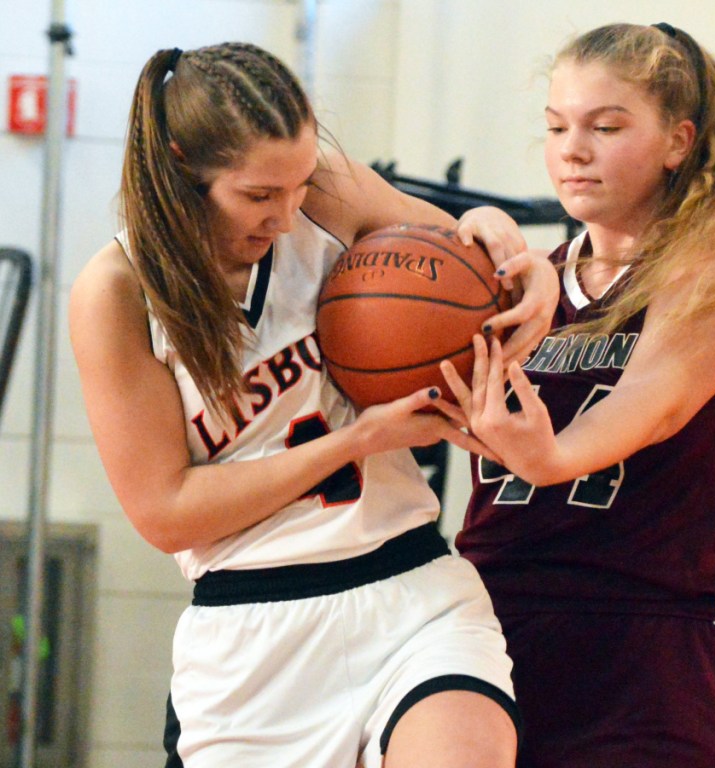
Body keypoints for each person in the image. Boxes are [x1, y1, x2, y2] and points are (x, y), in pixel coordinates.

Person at [68, 42, 559, 768]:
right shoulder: (117, 292)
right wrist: (356, 441)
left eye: (299, 184)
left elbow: (474, 263)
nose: (288, 211)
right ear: (179, 166)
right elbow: (164, 510)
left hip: (409, 591)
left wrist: (529, 278)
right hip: (250, 639)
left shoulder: (324, 194)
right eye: (260, 196)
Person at [436, 22, 715, 768]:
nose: (573, 149)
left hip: (653, 635)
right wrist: (456, 241)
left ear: (678, 141)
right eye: (557, 126)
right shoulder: (531, 281)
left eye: (606, 126)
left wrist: (554, 455)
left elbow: (654, 401)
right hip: (492, 620)